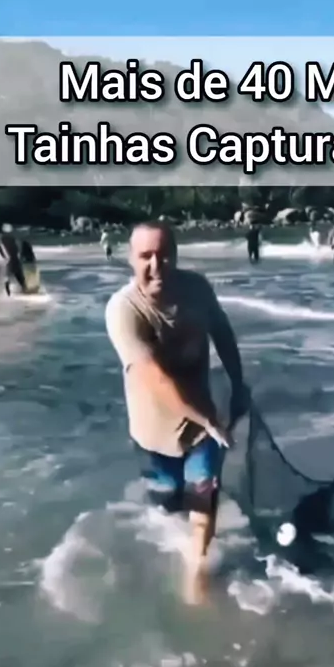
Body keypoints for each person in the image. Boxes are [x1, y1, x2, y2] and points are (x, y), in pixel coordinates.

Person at [105, 221, 250, 604]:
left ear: (176, 254)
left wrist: (238, 385)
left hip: (202, 433)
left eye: (164, 254)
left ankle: (195, 580)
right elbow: (153, 377)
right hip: (152, 435)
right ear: (130, 259)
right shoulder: (123, 310)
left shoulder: (197, 289)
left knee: (203, 501)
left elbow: (223, 333)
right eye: (146, 256)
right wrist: (209, 418)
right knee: (168, 505)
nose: (156, 265)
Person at [0, 224, 26, 297]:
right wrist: (19, 255)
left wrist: (4, 257)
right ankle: (23, 287)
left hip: (9, 258)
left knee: (8, 274)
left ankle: (8, 289)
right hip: (14, 257)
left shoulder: (1, 239)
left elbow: (0, 249)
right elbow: (17, 247)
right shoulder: (12, 238)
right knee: (18, 273)